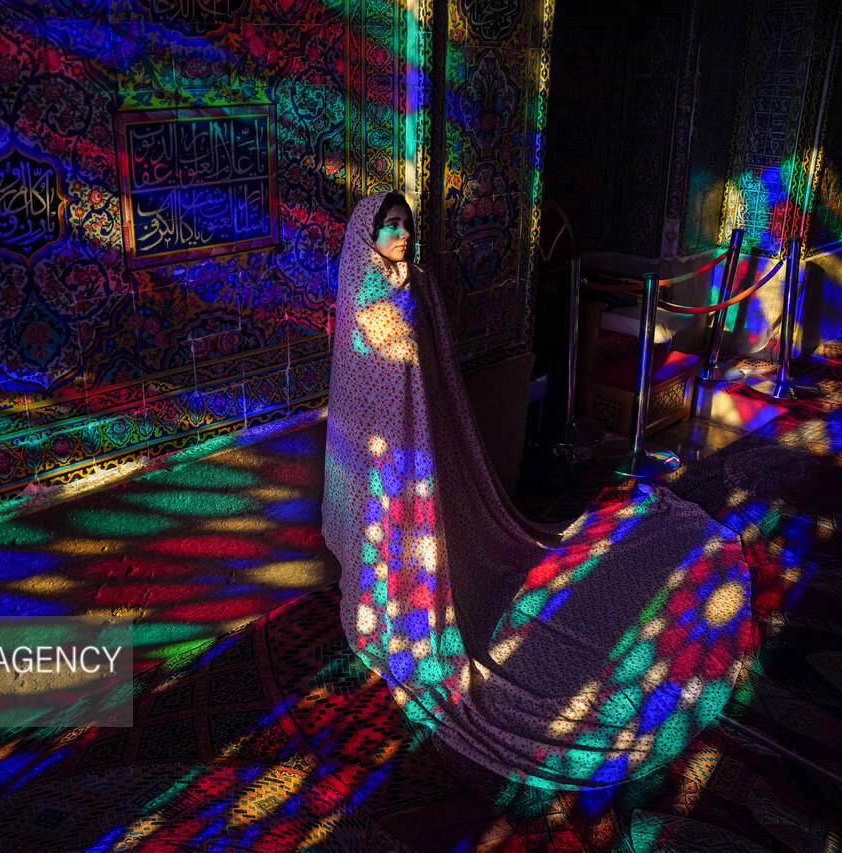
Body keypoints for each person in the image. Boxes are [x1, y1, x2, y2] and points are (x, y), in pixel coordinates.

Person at [322, 192, 754, 790]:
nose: (401, 234)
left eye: (405, 224)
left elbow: (434, 371)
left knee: (457, 540)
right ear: (366, 232)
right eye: (389, 225)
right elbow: (361, 381)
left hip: (427, 449)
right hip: (382, 458)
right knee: (389, 541)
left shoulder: (416, 283)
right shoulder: (361, 290)